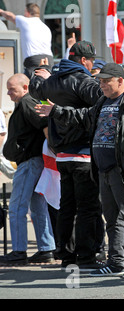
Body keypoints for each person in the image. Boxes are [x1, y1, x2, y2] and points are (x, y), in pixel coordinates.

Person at [35, 63, 124, 278]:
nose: (101, 85)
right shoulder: (102, 102)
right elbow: (82, 115)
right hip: (102, 169)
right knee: (111, 219)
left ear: (120, 81)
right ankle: (116, 262)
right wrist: (55, 111)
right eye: (100, 81)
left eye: (106, 81)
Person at [29, 40, 104, 272]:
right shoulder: (83, 81)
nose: (92, 65)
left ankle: (67, 256)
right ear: (83, 60)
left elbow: (34, 89)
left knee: (67, 207)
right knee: (88, 208)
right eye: (91, 61)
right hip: (82, 153)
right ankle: (86, 257)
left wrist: (38, 76)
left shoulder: (51, 81)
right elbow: (101, 102)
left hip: (61, 155)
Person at [0, 74, 55, 265]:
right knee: (37, 206)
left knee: (16, 207)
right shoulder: (26, 102)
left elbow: (43, 124)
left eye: (11, 89)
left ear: (25, 87)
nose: (8, 93)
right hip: (34, 160)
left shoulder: (26, 102)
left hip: (30, 161)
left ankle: (19, 251)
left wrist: (51, 151)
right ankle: (46, 249)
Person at [0, 4, 53, 78]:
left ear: (27, 12)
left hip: (34, 60)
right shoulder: (45, 27)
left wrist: (1, 11)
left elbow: (9, 16)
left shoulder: (26, 21)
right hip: (49, 60)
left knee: (26, 84)